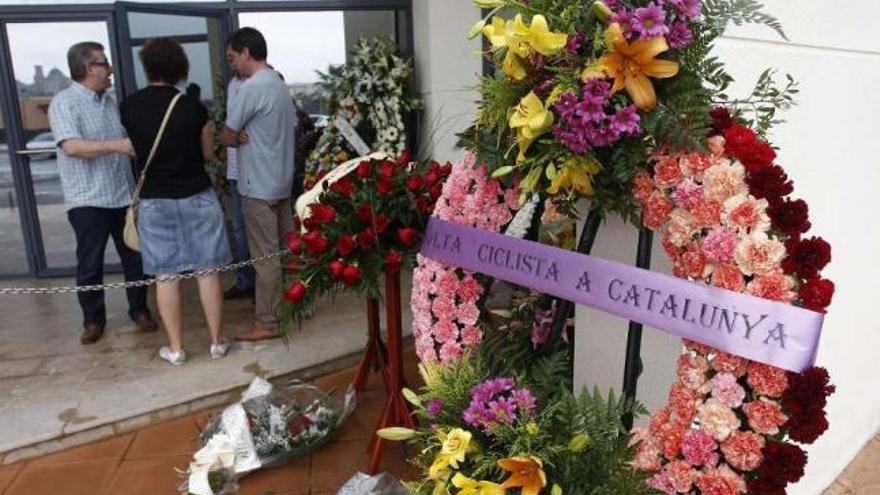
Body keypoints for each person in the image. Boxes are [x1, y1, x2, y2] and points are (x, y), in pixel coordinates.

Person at [120, 37, 232, 365]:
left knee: (165, 276)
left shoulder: (129, 106)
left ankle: (176, 348)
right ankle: (215, 342)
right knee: (207, 272)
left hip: (155, 200)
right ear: (180, 66)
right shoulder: (193, 107)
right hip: (197, 194)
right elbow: (207, 153)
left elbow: (137, 150)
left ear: (147, 66)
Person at [48, 41, 158, 345]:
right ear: (88, 68)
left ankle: (139, 311)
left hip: (122, 196)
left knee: (135, 259)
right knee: (90, 263)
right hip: (87, 201)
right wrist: (118, 146)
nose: (109, 69)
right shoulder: (64, 103)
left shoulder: (110, 103)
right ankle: (93, 321)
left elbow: (126, 143)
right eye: (104, 63)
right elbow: (71, 147)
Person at [222, 27, 297, 341]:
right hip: (281, 182)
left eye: (232, 57)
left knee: (265, 259)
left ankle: (267, 322)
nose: (231, 64)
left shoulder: (250, 88)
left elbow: (226, 134)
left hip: (257, 187)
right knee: (284, 253)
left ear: (245, 52)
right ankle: (289, 313)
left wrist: (236, 137)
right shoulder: (279, 84)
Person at [221, 72, 256, 301]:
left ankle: (266, 286)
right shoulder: (233, 84)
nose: (231, 62)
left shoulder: (265, 79)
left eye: (233, 57)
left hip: (257, 171)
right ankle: (245, 281)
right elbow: (228, 130)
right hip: (236, 170)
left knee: (261, 231)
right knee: (239, 229)